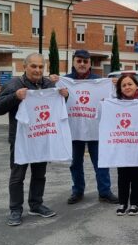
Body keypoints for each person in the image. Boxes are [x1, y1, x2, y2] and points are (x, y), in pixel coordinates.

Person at [0, 53, 68, 226]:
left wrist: (65, 95)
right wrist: (15, 97)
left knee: (40, 174)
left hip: (41, 137)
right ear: (24, 66)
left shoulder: (48, 84)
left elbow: (59, 104)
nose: (37, 70)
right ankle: (15, 210)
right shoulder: (13, 84)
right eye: (33, 66)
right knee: (17, 176)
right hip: (20, 139)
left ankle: (36, 204)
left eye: (41, 67)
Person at [50, 49, 118, 205]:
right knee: (75, 163)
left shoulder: (99, 81)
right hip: (73, 129)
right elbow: (51, 100)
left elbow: (113, 99)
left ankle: (105, 192)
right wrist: (51, 82)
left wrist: (114, 84)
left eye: (85, 61)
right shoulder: (63, 81)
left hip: (95, 129)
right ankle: (77, 191)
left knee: (101, 162)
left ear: (90, 64)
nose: (82, 64)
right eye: (79, 61)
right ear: (73, 62)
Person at [113, 75, 138, 216]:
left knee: (136, 175)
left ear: (136, 86)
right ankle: (122, 202)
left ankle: (134, 203)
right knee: (122, 174)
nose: (127, 87)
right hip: (121, 144)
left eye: (130, 84)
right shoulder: (115, 104)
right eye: (124, 85)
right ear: (120, 89)